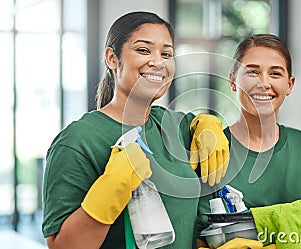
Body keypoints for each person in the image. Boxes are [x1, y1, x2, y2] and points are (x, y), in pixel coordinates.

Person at [42, 11, 229, 249]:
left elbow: (194, 225)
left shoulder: (177, 128)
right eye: (143, 50)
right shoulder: (78, 141)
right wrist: (112, 188)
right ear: (112, 58)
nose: (157, 62)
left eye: (167, 53)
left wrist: (210, 123)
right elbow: (62, 246)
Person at [196, 34, 301, 248]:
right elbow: (199, 239)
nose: (264, 83)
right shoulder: (211, 151)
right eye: (252, 72)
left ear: (289, 85)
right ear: (232, 80)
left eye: (275, 73)